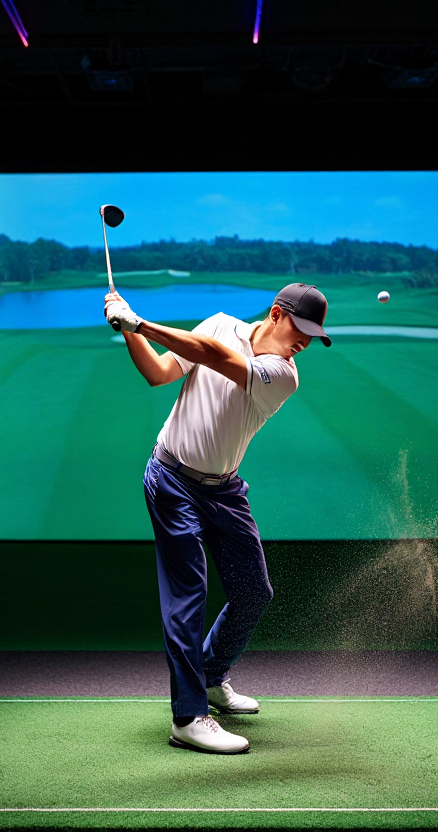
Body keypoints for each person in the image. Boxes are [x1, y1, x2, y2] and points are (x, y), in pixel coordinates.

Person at [103, 283, 331, 754]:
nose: (305, 342)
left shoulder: (283, 374)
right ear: (276, 313)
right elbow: (159, 373)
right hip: (171, 479)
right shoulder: (220, 324)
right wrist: (128, 330)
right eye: (302, 329)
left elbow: (212, 356)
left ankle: (210, 675)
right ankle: (188, 717)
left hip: (224, 489)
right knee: (189, 594)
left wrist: (139, 321)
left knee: (254, 592)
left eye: (314, 336)